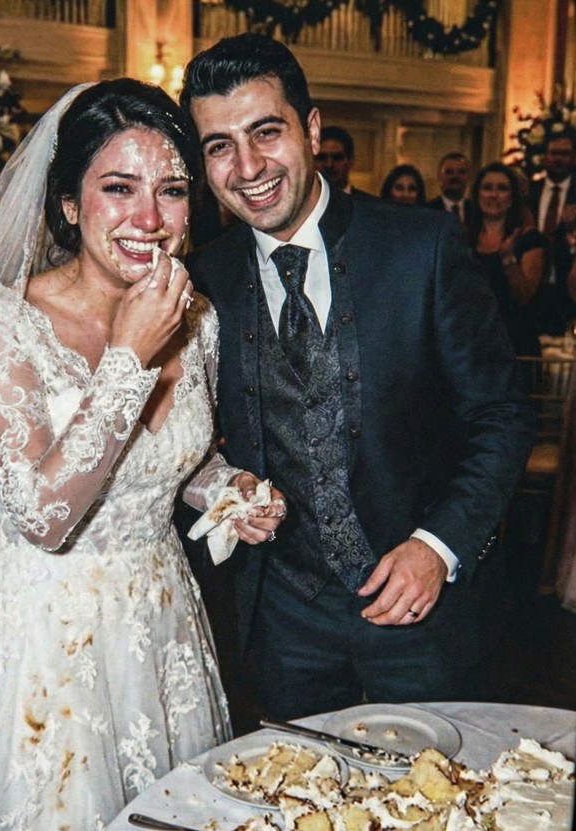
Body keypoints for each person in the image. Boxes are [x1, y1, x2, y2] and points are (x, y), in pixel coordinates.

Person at [0, 79, 284, 829]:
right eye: (118, 188)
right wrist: (128, 358)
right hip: (42, 635)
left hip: (159, 622)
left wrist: (230, 490)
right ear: (69, 204)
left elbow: (176, 461)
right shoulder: (1, 320)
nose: (148, 219)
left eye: (170, 190)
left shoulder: (196, 316)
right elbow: (41, 516)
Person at [180, 33, 536, 721]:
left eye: (266, 132)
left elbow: (502, 415)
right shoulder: (203, 279)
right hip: (284, 619)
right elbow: (191, 440)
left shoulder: (420, 247)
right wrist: (229, 489)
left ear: (311, 130)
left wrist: (437, 546)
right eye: (219, 145)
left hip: (426, 607)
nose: (247, 167)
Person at [468, 162, 547, 357]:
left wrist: (507, 257)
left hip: (515, 344)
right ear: (477, 195)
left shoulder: (529, 239)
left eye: (502, 189)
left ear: (512, 198)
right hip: (472, 343)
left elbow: (524, 297)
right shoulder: (464, 239)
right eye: (487, 188)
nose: (493, 195)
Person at [526, 131, 576, 333]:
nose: (558, 159)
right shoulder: (530, 192)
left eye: (564, 154)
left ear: (573, 158)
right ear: (545, 156)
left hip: (568, 287)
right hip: (533, 286)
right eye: (554, 153)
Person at [426, 151, 478, 227]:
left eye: (461, 172)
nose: (455, 176)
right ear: (439, 177)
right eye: (449, 172)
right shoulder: (427, 210)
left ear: (469, 177)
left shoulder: (477, 211)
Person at [314, 125, 357, 193]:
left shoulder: (367, 200)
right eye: (321, 157)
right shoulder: (300, 199)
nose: (329, 165)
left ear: (351, 161)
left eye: (337, 158)